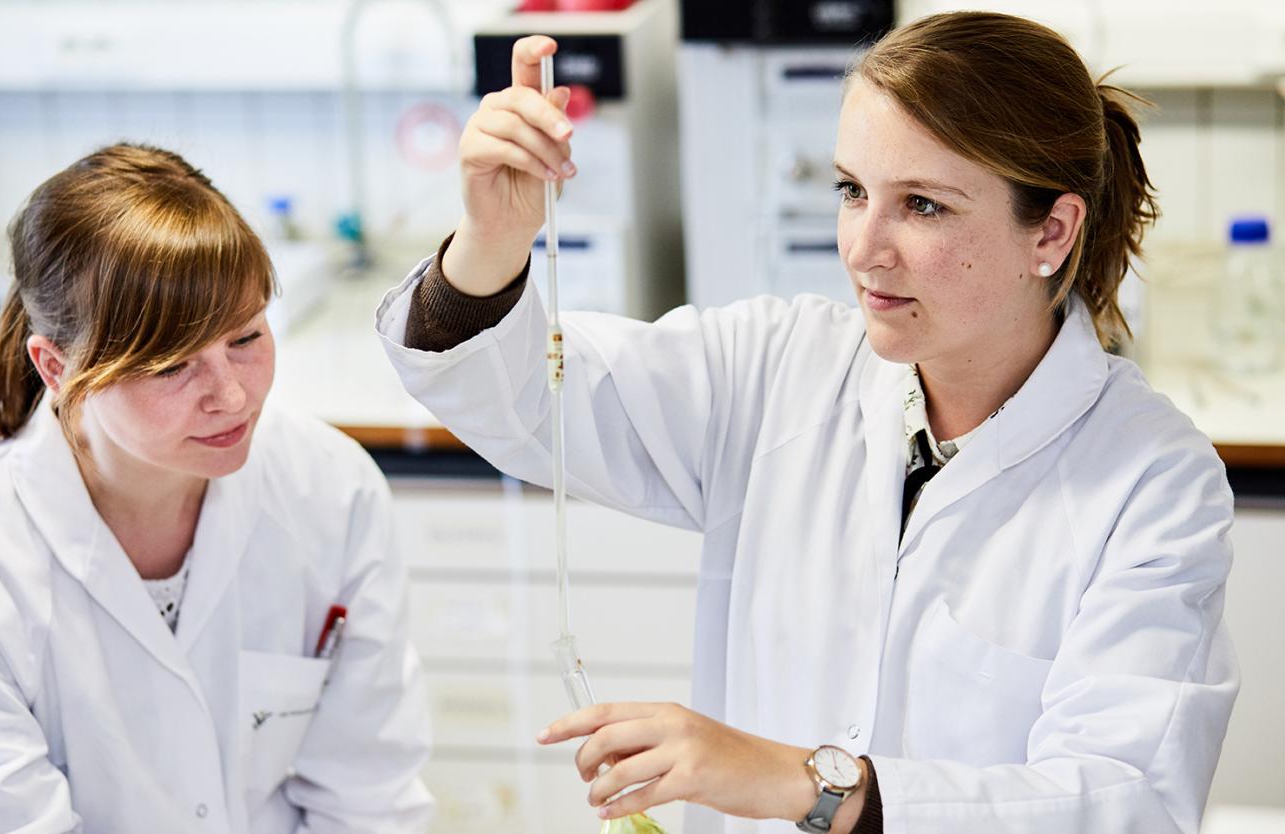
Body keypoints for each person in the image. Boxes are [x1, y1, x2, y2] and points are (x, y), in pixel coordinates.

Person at [375, 13, 1237, 834]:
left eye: (924, 205)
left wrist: (807, 782)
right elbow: (525, 396)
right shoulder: (776, 368)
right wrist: (492, 244)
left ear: (1051, 229)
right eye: (853, 190)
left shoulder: (1151, 480)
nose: (865, 247)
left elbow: (1122, 802)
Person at [0, 144, 433, 834]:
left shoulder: (330, 489)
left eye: (247, 337)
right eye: (170, 368)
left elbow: (370, 796)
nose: (231, 395)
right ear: (54, 366)